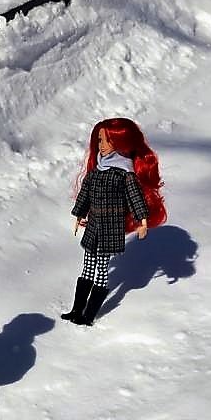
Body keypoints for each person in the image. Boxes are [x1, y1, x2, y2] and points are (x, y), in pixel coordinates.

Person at [62, 117, 166, 326]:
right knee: (86, 268)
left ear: (121, 143)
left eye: (107, 141)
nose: (101, 145)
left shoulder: (125, 175)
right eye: (99, 140)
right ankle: (76, 310)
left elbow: (135, 197)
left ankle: (88, 315)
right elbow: (85, 194)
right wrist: (79, 214)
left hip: (110, 229)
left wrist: (142, 220)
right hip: (93, 227)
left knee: (101, 270)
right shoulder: (96, 171)